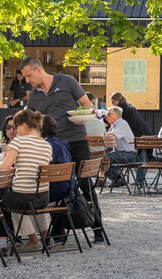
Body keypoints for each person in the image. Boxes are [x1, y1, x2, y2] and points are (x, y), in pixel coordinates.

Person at [22, 56, 105, 243]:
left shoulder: (66, 81)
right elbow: (28, 120)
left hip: (76, 141)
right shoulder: (34, 95)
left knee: (85, 185)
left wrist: (84, 117)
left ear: (38, 70)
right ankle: (59, 231)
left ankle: (97, 227)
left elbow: (88, 105)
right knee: (58, 185)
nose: (27, 81)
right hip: (52, 145)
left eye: (28, 76)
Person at [0, 109, 53, 253]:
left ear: (23, 125)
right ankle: (43, 237)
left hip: (23, 199)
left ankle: (2, 241)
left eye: (16, 127)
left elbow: (5, 167)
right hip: (43, 197)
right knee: (2, 195)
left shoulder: (19, 141)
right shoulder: (46, 145)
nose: (15, 131)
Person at [109, 92, 151, 184]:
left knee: (139, 157)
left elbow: (120, 122)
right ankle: (140, 180)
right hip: (143, 133)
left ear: (117, 101)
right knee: (141, 157)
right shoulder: (129, 106)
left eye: (113, 102)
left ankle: (138, 181)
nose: (112, 104)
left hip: (138, 135)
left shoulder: (121, 109)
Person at [104, 106, 137, 187]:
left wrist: (97, 133)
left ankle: (117, 178)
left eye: (108, 114)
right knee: (104, 156)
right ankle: (117, 178)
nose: (106, 116)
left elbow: (110, 135)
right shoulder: (114, 125)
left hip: (129, 154)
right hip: (120, 153)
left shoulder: (122, 123)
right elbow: (107, 139)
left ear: (116, 115)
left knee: (105, 157)